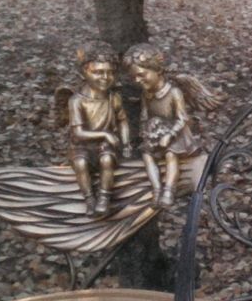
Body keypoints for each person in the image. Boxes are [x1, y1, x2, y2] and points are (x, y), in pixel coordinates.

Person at [125, 44, 222, 207]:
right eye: (134, 77)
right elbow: (144, 114)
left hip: (177, 135)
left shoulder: (173, 93)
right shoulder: (146, 94)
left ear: (157, 70)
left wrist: (169, 135)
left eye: (141, 75)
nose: (137, 81)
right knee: (147, 155)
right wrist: (145, 131)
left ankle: (169, 190)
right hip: (155, 133)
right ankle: (156, 190)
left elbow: (183, 119)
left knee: (171, 154)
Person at [66, 42, 130, 216]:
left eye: (109, 72)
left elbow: (122, 121)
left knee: (107, 160)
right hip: (83, 145)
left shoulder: (113, 98)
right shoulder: (77, 101)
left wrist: (126, 142)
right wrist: (105, 134)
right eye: (98, 72)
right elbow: (77, 133)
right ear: (85, 72)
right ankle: (89, 199)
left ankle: (104, 198)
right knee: (80, 163)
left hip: (105, 146)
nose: (105, 77)